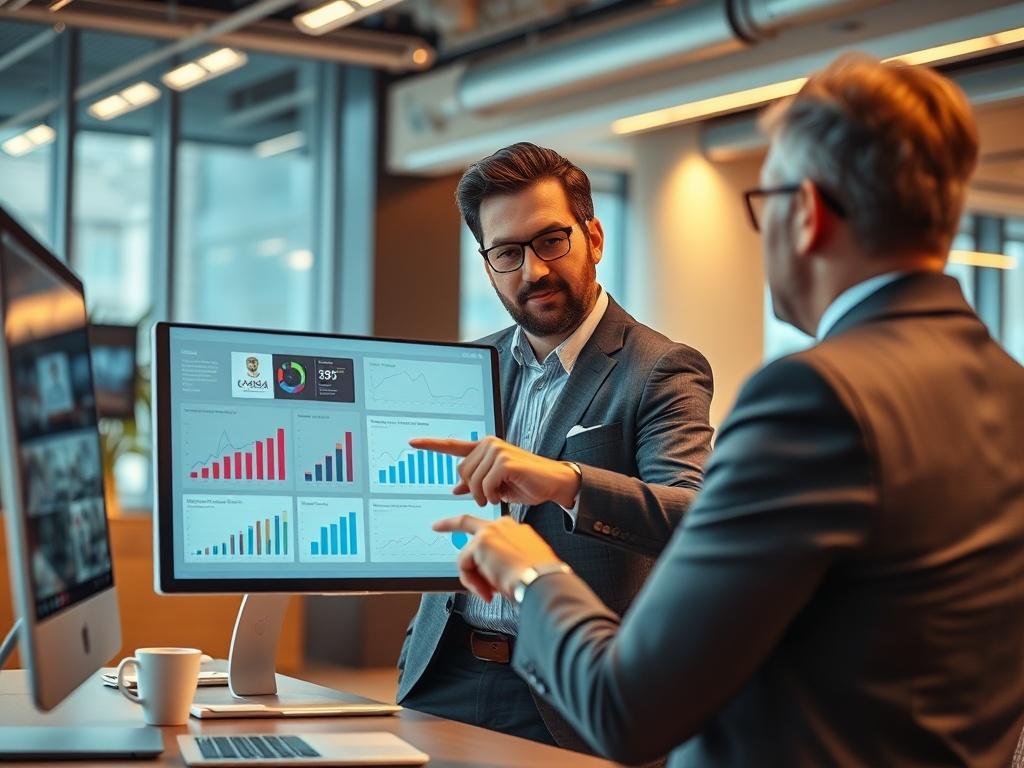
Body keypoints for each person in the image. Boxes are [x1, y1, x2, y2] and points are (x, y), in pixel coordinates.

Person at [424, 55, 1024, 766]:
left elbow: (628, 707)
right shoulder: (1009, 387)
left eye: (764, 203)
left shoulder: (812, 398)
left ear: (805, 214)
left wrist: (531, 574)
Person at [397, 143, 715, 750]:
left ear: (593, 237)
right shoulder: (469, 365)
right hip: (442, 672)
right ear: (488, 264)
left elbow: (693, 515)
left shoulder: (660, 369)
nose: (533, 271)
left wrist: (566, 480)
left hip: (567, 689)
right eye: (507, 253)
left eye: (550, 241)